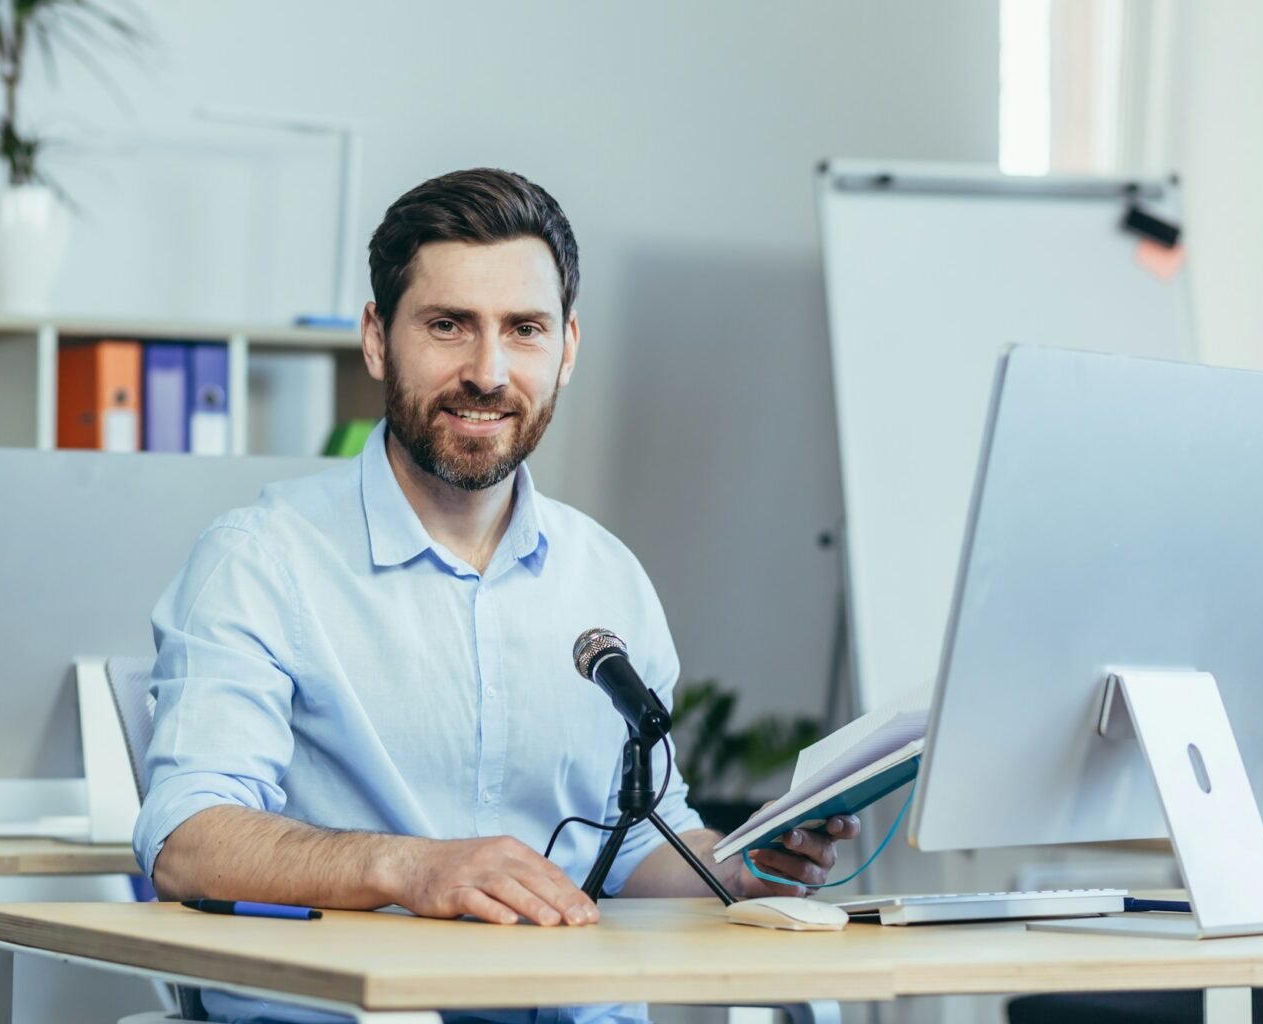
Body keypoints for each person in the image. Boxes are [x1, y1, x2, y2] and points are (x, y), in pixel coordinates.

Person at [135, 168, 860, 1024]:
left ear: (567, 348)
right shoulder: (261, 562)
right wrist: (413, 869)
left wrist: (730, 866)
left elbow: (633, 841)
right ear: (377, 339)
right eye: (449, 326)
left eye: (524, 330)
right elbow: (189, 841)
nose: (488, 371)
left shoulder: (608, 576)